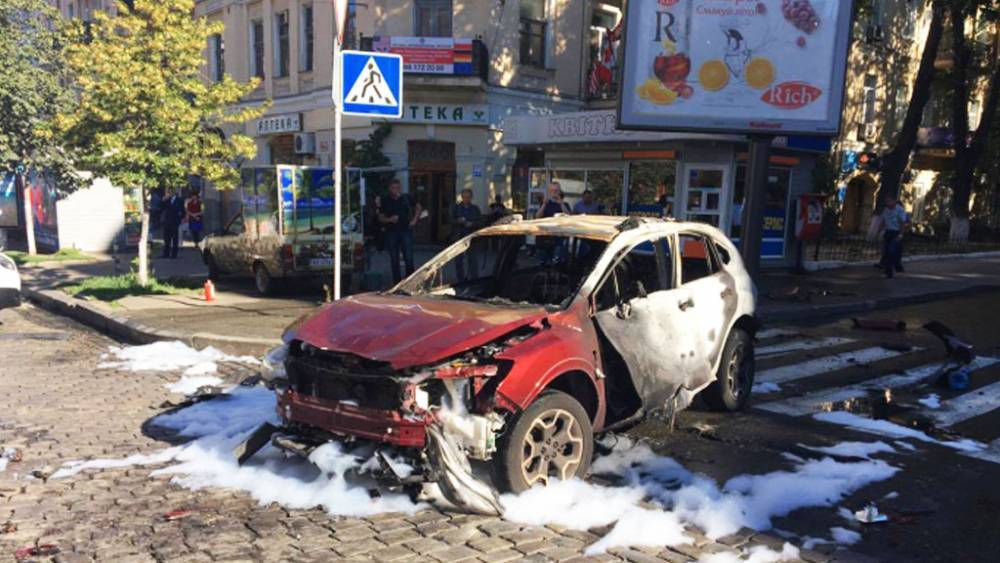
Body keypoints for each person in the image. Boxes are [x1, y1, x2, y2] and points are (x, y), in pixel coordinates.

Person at [379, 179, 422, 284]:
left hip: (405, 230)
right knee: (394, 258)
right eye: (394, 188)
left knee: (409, 256)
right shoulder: (385, 200)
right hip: (392, 231)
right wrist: (389, 219)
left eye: (398, 188)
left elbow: (419, 206)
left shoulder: (406, 198)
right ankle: (397, 283)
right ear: (390, 189)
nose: (396, 190)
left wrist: (414, 220)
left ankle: (410, 281)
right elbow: (380, 217)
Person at [452, 189, 482, 282]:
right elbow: (450, 220)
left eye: (468, 197)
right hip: (459, 236)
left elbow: (480, 222)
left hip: (471, 236)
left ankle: (473, 280)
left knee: (472, 260)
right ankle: (460, 280)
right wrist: (458, 221)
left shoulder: (475, 209)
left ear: (471, 198)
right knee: (458, 260)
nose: (466, 199)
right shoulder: (456, 208)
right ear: (462, 197)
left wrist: (472, 224)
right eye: (464, 197)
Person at [877, 195, 910, 278]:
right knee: (888, 252)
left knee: (891, 251)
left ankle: (889, 272)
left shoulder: (899, 210)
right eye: (886, 201)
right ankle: (896, 267)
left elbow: (902, 223)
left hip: (896, 233)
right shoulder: (886, 210)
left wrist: (901, 234)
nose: (887, 203)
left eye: (889, 201)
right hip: (888, 232)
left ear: (894, 201)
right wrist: (879, 232)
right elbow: (883, 221)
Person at [160, 187, 185, 259]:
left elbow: (182, 211)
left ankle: (174, 254)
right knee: (166, 238)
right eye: (168, 192)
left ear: (174, 192)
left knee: (174, 239)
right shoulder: (166, 200)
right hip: (167, 221)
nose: (169, 193)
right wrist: (163, 200)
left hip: (175, 221)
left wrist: (179, 219)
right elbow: (161, 208)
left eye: (171, 192)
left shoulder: (179, 200)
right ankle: (166, 253)